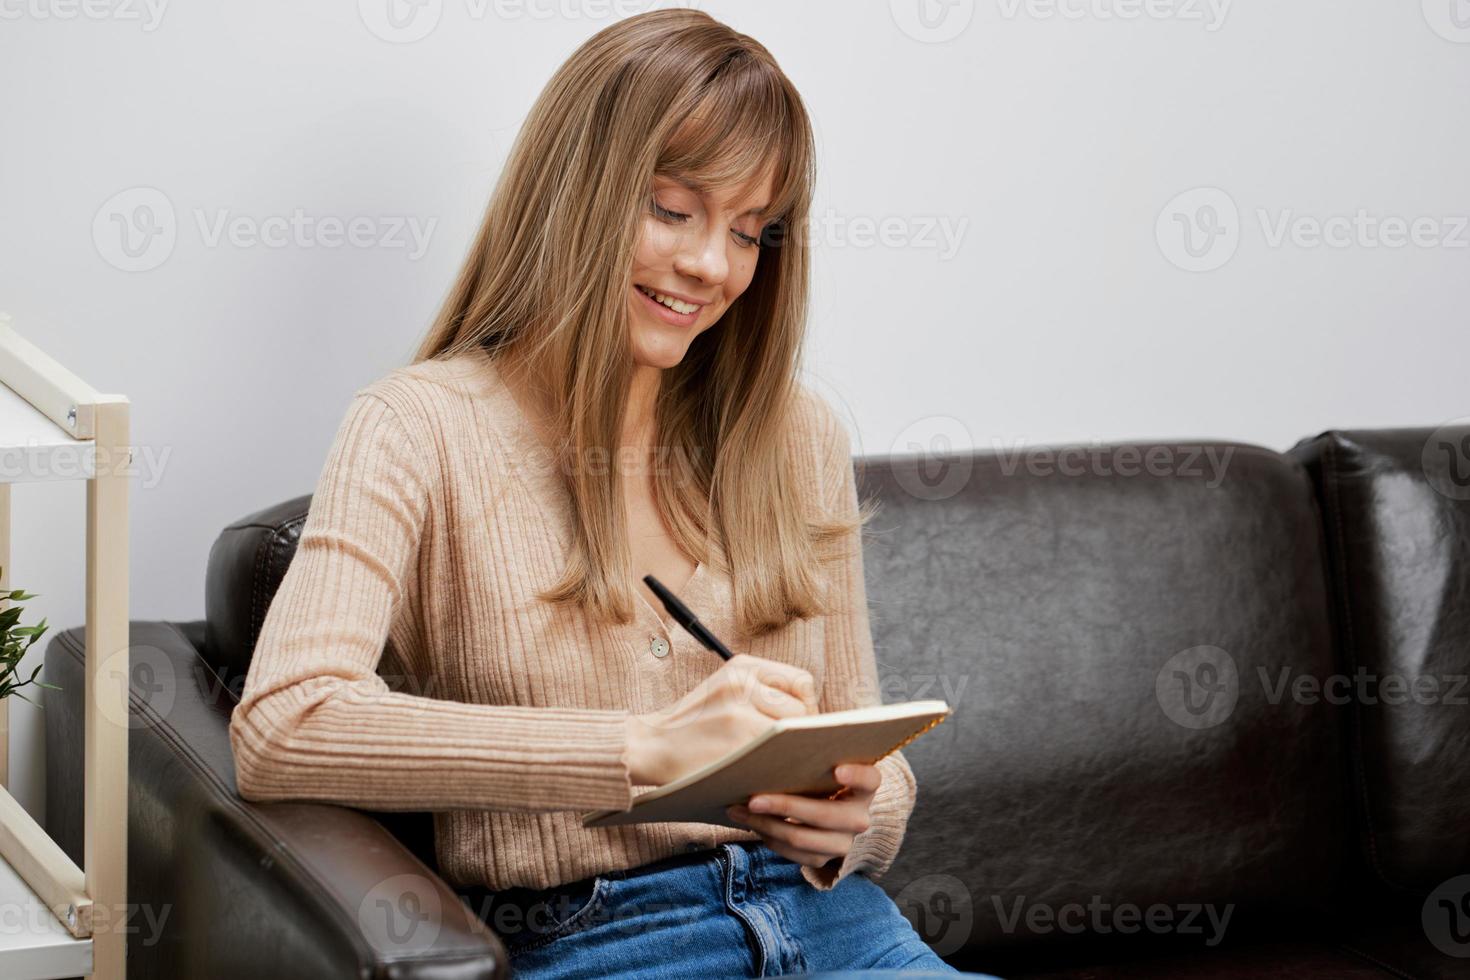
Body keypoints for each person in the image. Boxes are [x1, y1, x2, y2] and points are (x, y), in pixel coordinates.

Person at [228, 8, 999, 978]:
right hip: (598, 941)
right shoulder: (416, 427)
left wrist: (855, 811)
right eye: (672, 210)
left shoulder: (796, 432)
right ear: (574, 196)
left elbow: (874, 758)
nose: (711, 266)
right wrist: (644, 746)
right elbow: (286, 723)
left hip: (841, 926)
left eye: (751, 231)